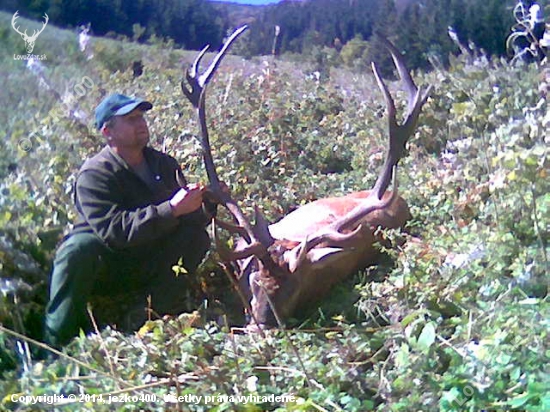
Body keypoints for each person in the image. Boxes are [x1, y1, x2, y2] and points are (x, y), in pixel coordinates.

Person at [44, 93, 219, 347]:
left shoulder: (163, 164)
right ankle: (56, 341)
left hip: (149, 257)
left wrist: (206, 203)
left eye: (141, 117)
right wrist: (171, 209)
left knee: (196, 239)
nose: (141, 124)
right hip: (112, 266)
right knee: (77, 250)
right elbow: (114, 231)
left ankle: (146, 314)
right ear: (108, 132)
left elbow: (188, 222)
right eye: (130, 119)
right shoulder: (95, 174)